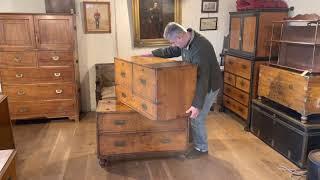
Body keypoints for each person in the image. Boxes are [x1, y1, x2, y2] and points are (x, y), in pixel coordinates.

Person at [143, 22, 222, 159]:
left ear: (180, 37)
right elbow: (172, 51)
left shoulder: (201, 48)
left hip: (209, 85)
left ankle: (201, 148)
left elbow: (203, 79)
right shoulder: (186, 41)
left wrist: (197, 105)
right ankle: (193, 139)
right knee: (191, 115)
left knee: (196, 117)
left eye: (173, 42)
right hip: (196, 82)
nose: (173, 44)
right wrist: (152, 54)